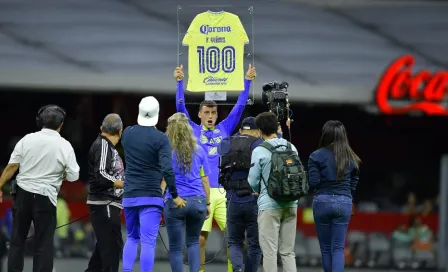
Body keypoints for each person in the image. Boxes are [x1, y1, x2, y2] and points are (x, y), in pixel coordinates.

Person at [174, 63, 257, 272]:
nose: (211, 115)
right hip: (202, 192)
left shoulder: (225, 128)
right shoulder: (192, 129)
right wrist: (179, 82)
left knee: (233, 239)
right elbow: (180, 108)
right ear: (200, 114)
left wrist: (247, 81)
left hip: (223, 192)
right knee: (200, 240)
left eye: (214, 112)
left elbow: (239, 106)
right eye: (207, 112)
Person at [0, 104, 80, 272]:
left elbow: (11, 167)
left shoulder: (26, 139)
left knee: (17, 241)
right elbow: (74, 176)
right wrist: (62, 173)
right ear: (61, 125)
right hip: (46, 198)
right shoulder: (64, 145)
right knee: (43, 244)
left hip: (22, 195)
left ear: (39, 121)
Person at [121, 96, 185, 272]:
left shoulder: (127, 133)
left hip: (130, 196)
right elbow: (167, 169)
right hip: (151, 196)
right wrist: (175, 194)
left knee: (132, 238)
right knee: (148, 242)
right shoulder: (161, 139)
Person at [248, 112, 300, 272]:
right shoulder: (291, 147)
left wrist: (257, 190)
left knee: (270, 253)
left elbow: (252, 180)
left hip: (269, 204)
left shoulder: (259, 150)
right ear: (276, 128)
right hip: (291, 203)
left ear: (260, 131)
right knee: (288, 252)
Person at [308, 120, 361, 272]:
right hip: (344, 202)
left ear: (325, 134)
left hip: (322, 202)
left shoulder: (315, 156)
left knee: (325, 248)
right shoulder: (352, 157)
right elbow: (354, 182)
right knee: (338, 248)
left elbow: (314, 182)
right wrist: (346, 195)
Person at [162, 112, 211, 272]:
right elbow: (205, 180)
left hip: (175, 201)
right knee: (193, 242)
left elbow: (164, 179)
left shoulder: (166, 152)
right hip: (198, 201)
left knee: (175, 248)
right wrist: (208, 203)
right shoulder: (200, 150)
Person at [218, 117, 262, 272]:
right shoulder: (259, 144)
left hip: (232, 200)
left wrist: (239, 133)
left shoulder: (227, 142)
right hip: (253, 199)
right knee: (255, 244)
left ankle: (238, 269)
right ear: (258, 131)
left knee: (234, 242)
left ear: (241, 130)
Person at [85, 114, 125, 272]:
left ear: (102, 127)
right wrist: (124, 184)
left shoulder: (108, 146)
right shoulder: (103, 145)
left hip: (108, 204)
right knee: (112, 249)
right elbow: (101, 175)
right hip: (104, 203)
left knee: (102, 252)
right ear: (120, 131)